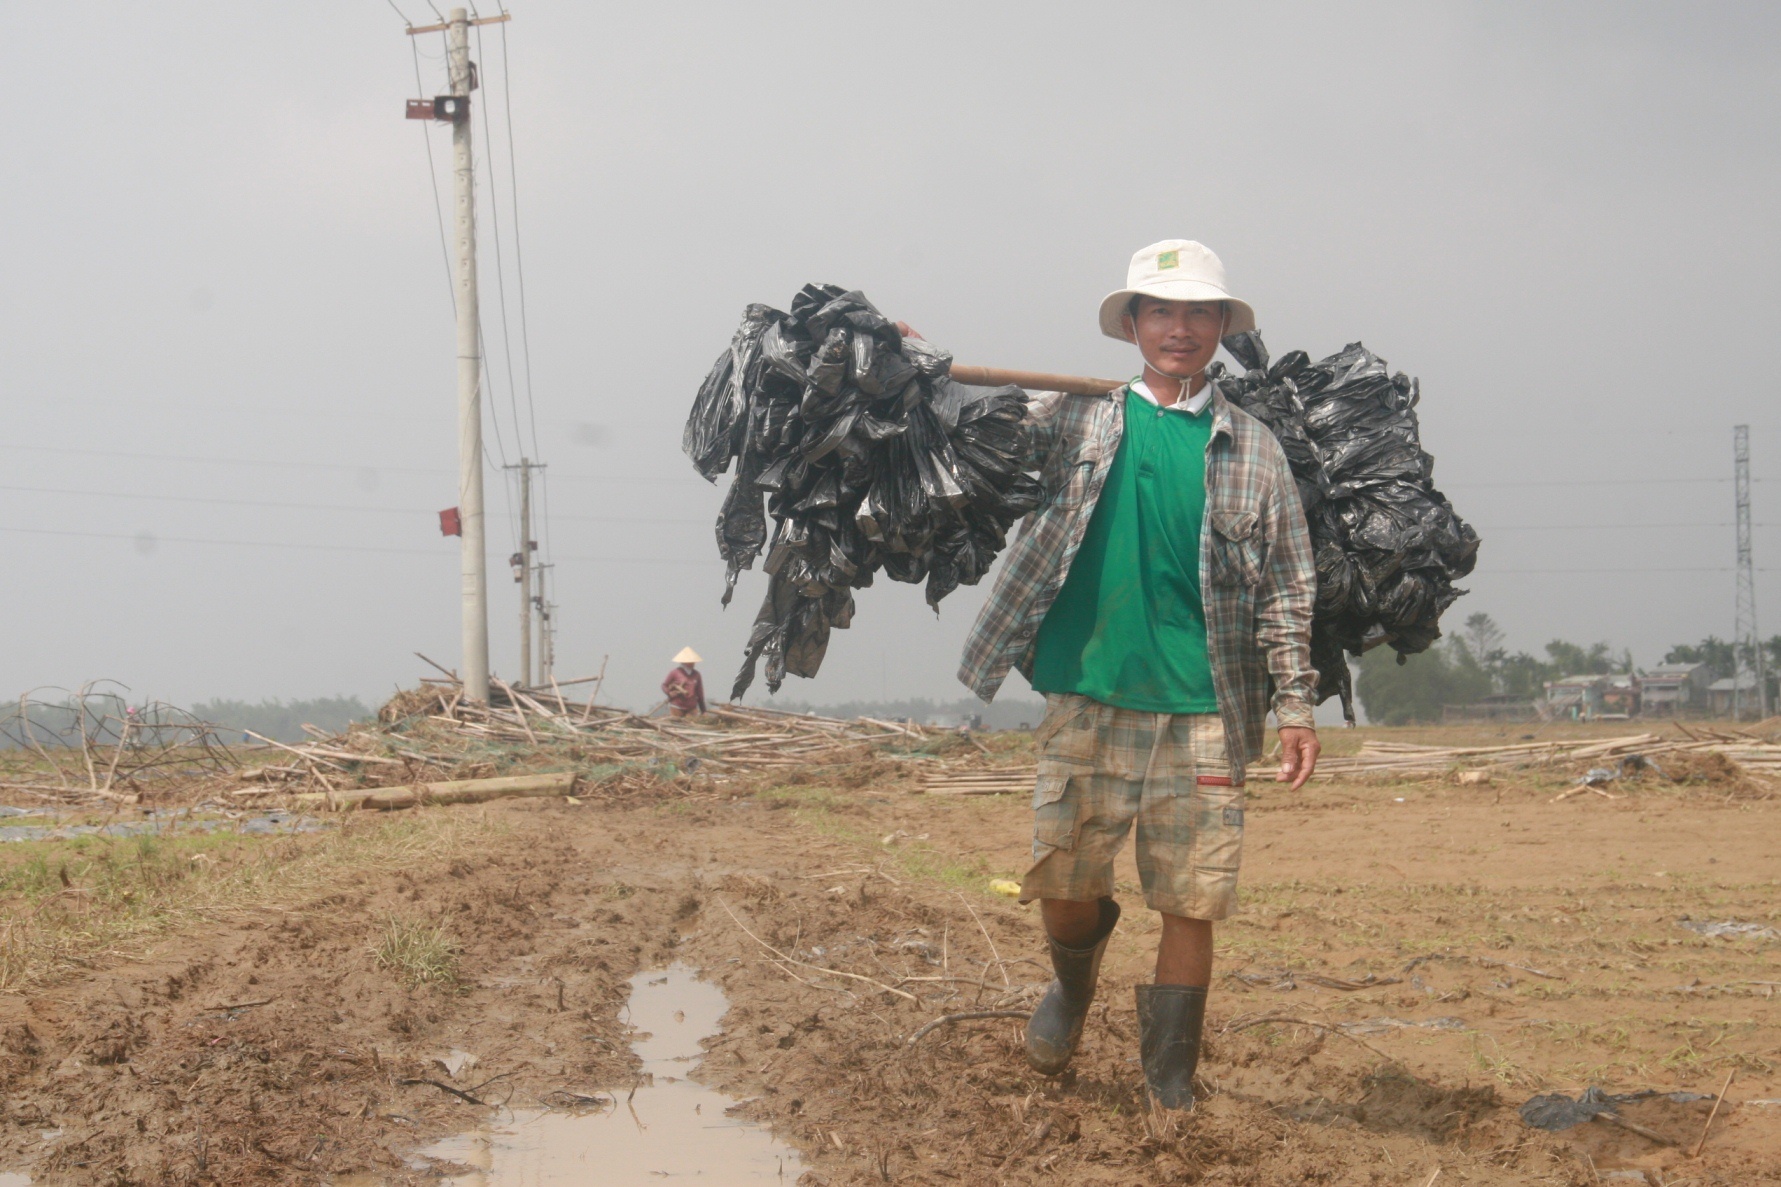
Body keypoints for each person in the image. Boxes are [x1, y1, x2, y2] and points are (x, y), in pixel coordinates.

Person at [952, 240, 1321, 1110]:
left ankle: (1169, 1079)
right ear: (1132, 326)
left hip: (1204, 704)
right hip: (1088, 687)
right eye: (1161, 311)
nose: (1180, 329)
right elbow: (964, 431)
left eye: (1199, 313)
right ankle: (1073, 983)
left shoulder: (1255, 451)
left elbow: (1287, 587)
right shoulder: (1072, 420)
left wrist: (1297, 704)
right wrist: (909, 368)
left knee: (1190, 898)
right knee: (1066, 883)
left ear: (1222, 328)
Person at [662, 647, 707, 717]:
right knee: (676, 724)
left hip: (691, 707)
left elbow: (700, 694)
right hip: (677, 706)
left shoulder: (696, 674)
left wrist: (703, 710)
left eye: (694, 661)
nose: (693, 663)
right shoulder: (675, 672)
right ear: (685, 662)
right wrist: (669, 693)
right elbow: (664, 685)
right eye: (691, 661)